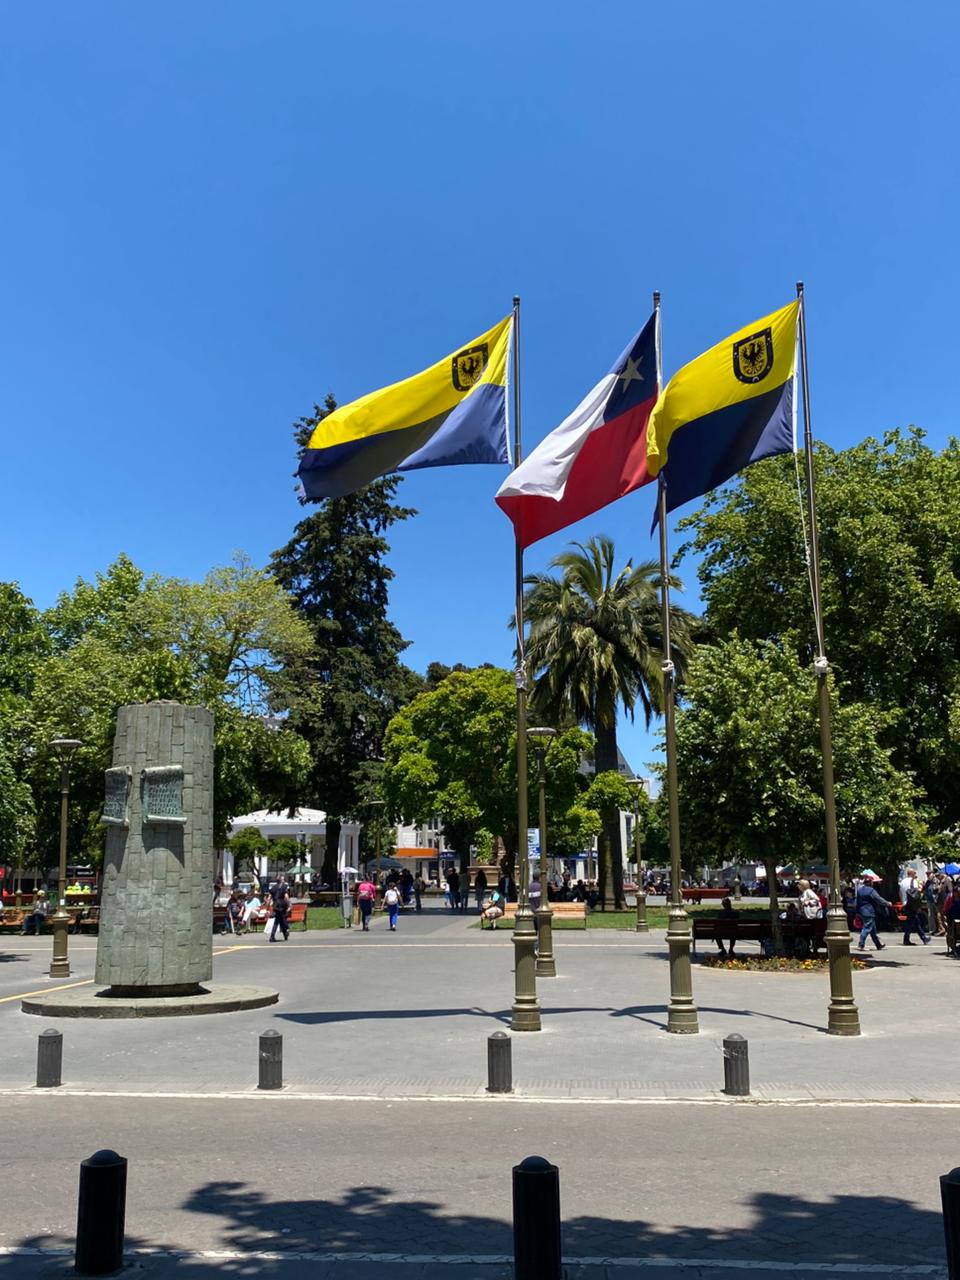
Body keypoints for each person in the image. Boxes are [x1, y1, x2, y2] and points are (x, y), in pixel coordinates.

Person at [855, 874, 889, 952]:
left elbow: (857, 902)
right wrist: (887, 903)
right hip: (869, 911)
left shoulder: (859, 890)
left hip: (862, 911)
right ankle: (861, 944)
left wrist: (857, 912)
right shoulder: (871, 890)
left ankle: (878, 945)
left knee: (873, 930)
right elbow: (878, 899)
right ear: (870, 882)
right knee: (867, 928)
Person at [901, 869, 929, 945]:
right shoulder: (913, 881)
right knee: (910, 922)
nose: (915, 874)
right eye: (914, 872)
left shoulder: (902, 882)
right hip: (912, 904)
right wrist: (921, 887)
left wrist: (903, 901)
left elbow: (900, 892)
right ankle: (907, 939)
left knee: (915, 921)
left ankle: (923, 937)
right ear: (911, 873)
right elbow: (917, 893)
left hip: (906, 903)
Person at [270, 875, 290, 942]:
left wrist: (268, 906)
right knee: (278, 921)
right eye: (283, 879)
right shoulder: (284, 886)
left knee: (281, 920)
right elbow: (286, 897)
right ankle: (272, 936)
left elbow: (269, 897)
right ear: (281, 880)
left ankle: (285, 934)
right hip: (282, 905)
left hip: (276, 905)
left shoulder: (273, 887)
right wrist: (288, 904)